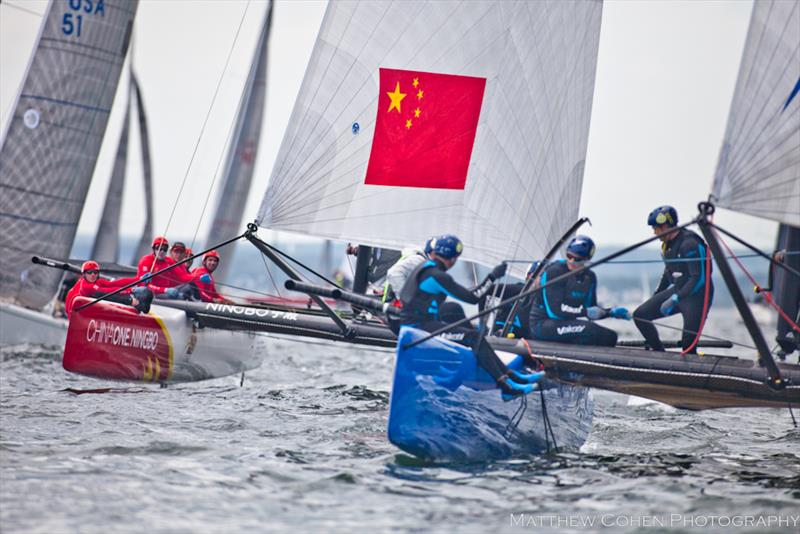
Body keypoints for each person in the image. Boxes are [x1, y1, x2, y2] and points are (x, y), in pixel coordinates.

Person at [397, 234, 543, 399]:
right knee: (474, 338)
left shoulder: (425, 268)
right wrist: (493, 276)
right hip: (419, 329)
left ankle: (512, 377)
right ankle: (506, 385)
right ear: (453, 259)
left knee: (475, 335)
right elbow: (473, 298)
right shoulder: (437, 275)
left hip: (419, 326)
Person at [633, 205, 713, 353]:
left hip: (697, 297)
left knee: (688, 344)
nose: (654, 232)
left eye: (656, 228)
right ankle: (659, 353)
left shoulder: (689, 243)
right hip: (678, 291)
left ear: (665, 226)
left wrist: (676, 298)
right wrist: (657, 295)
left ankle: (690, 365)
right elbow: (668, 273)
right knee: (640, 316)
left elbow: (699, 278)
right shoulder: (667, 245)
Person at [529, 236, 629, 346]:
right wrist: (585, 312)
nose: (571, 261)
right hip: (542, 325)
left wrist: (610, 312)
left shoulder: (590, 277)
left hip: (565, 325)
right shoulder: (555, 272)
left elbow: (591, 310)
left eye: (577, 259)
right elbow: (555, 312)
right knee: (592, 331)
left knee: (610, 336)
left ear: (587, 260)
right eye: (569, 256)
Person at [481, 260, 544, 339]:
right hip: (503, 341)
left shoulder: (547, 299)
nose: (544, 280)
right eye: (541, 276)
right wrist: (482, 327)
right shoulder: (516, 290)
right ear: (529, 277)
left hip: (529, 345)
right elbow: (485, 291)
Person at [65, 261, 152, 317]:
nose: (92, 275)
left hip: (87, 310)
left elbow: (115, 283)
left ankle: (138, 305)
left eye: (95, 272)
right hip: (77, 314)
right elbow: (107, 292)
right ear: (84, 274)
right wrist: (130, 292)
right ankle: (132, 302)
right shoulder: (86, 286)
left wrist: (139, 279)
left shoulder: (97, 281)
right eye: (89, 272)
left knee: (146, 294)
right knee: (101, 294)